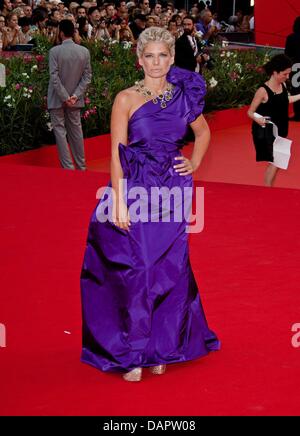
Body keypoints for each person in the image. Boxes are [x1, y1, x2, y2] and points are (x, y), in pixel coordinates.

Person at [80, 26, 220, 382]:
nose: (156, 63)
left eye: (163, 56)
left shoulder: (182, 97)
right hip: (137, 189)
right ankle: (133, 352)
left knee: (170, 271)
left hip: (172, 191)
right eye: (149, 56)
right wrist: (119, 200)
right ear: (138, 59)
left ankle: (163, 347)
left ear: (171, 58)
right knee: (139, 270)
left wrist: (195, 162)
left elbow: (202, 132)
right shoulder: (125, 98)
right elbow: (116, 153)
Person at [247, 54, 300, 187]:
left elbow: (284, 100)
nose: (287, 77)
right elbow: (250, 112)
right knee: (276, 162)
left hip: (280, 129)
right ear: (275, 72)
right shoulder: (262, 91)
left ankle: (269, 189)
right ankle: (268, 190)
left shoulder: (283, 85)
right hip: (265, 131)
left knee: (278, 162)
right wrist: (258, 119)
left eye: (289, 74)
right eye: (285, 74)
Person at [47, 19, 92, 170]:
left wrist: (65, 97)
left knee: (60, 132)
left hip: (57, 98)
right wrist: (75, 96)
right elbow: (87, 77)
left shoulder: (54, 51)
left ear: (60, 33)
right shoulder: (84, 51)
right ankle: (81, 166)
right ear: (73, 32)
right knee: (76, 132)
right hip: (75, 99)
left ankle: (68, 169)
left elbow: (54, 77)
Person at [285, 16, 300, 121]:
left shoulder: (291, 38)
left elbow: (287, 55)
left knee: (296, 91)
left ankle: (298, 114)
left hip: (296, 67)